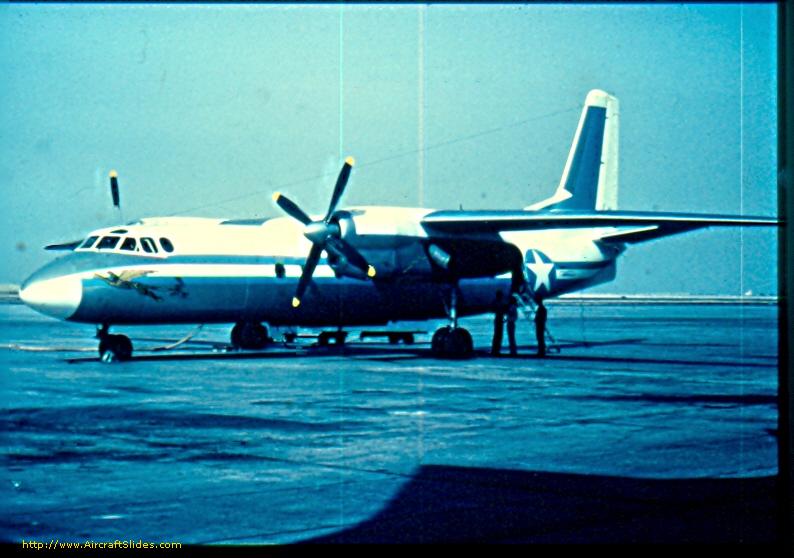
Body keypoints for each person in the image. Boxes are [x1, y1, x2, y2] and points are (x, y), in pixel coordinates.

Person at [491, 290, 507, 356]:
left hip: (498, 319)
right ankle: (496, 350)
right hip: (499, 319)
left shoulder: (495, 302)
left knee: (497, 335)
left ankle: (495, 350)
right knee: (499, 335)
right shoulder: (501, 303)